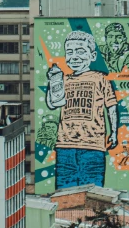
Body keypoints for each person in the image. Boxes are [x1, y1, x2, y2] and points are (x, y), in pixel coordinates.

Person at [46, 30, 119, 189]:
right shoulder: (63, 79)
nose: (75, 57)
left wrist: (114, 133)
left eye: (80, 52)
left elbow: (111, 107)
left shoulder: (100, 78)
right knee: (64, 193)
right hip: (65, 145)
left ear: (92, 56)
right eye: (70, 52)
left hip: (93, 146)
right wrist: (53, 82)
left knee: (93, 193)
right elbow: (53, 104)